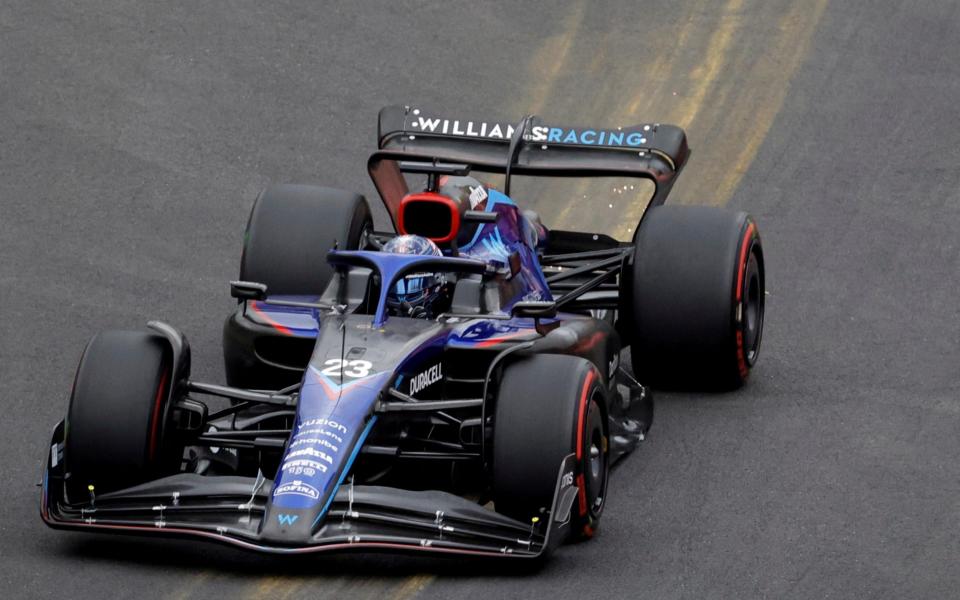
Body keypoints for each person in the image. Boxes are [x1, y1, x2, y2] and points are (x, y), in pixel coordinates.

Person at [382, 235, 452, 318]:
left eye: (412, 281)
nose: (401, 297)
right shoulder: (372, 300)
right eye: (395, 280)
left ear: (436, 277)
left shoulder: (448, 309)